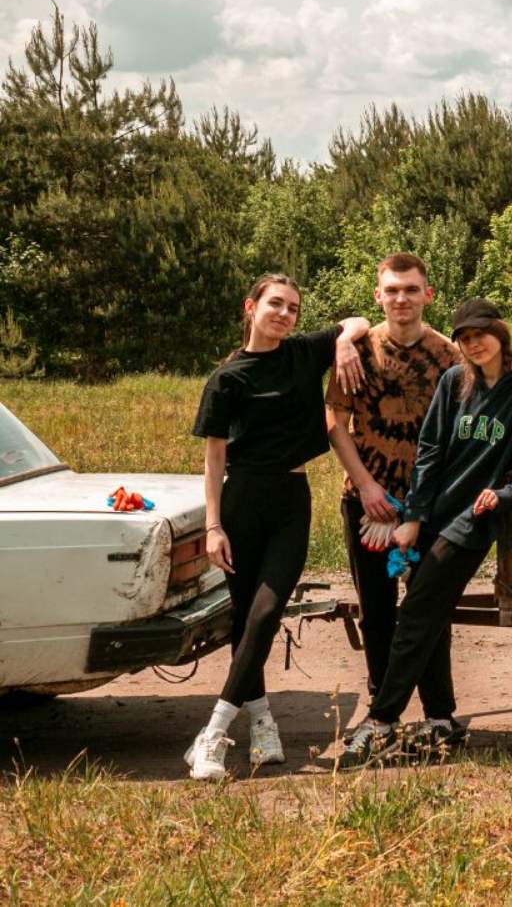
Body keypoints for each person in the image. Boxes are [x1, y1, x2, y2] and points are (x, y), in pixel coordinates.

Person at [339, 299, 512, 764]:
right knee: (431, 617)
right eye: (464, 338)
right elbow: (429, 451)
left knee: (416, 615)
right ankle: (442, 719)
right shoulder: (454, 382)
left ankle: (381, 721)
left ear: (499, 332)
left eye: (480, 333)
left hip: (473, 521)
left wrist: (506, 495)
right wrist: (415, 517)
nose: (473, 343)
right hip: (433, 514)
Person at [186, 274, 369, 781]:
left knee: (267, 611)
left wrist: (345, 344)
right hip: (242, 500)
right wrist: (214, 525)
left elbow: (359, 319)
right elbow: (214, 458)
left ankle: (213, 734)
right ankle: (262, 721)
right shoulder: (227, 379)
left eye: (293, 308)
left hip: (291, 500)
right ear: (250, 307)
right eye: (275, 305)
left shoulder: (305, 352)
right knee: (247, 619)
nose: (285, 314)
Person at [324, 253, 458, 739]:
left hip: (428, 506)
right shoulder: (355, 351)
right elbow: (334, 421)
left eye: (410, 289)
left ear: (428, 294)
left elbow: (456, 439)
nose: (401, 298)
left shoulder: (450, 357)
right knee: (376, 612)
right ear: (378, 296)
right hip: (368, 502)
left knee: (428, 612)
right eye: (392, 290)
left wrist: (421, 506)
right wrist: (365, 486)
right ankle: (383, 716)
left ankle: (440, 715)